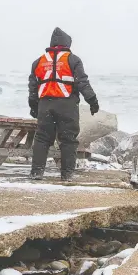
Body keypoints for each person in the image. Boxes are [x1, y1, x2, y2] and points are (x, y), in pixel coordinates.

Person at [28, 27, 99, 181]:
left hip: (45, 105)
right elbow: (82, 83)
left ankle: (36, 172)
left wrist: (33, 107)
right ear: (67, 43)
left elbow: (33, 88)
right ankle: (67, 175)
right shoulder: (73, 60)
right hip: (67, 105)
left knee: (42, 138)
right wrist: (93, 101)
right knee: (68, 139)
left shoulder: (38, 62)